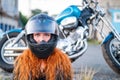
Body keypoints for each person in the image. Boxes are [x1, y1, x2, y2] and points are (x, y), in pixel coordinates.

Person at [13, 13, 73, 80]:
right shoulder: (22, 62)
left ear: (52, 36)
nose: (42, 39)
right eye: (37, 35)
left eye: (46, 35)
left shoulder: (62, 62)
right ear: (31, 37)